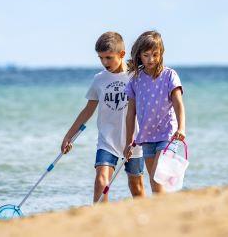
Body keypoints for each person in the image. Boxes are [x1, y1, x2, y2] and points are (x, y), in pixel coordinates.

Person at [61, 32, 145, 203]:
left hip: (134, 140)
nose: (104, 63)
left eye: (108, 57)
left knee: (136, 186)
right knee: (101, 180)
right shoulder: (99, 79)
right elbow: (87, 110)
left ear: (121, 54)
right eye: (101, 58)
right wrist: (69, 136)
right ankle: (99, 218)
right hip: (107, 140)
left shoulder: (136, 76)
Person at [123, 30, 186, 194]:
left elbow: (178, 103)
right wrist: (129, 141)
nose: (151, 59)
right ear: (139, 56)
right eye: (146, 55)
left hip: (168, 135)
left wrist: (182, 128)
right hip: (146, 138)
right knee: (156, 184)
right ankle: (164, 213)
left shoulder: (169, 75)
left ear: (161, 54)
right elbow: (131, 113)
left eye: (155, 54)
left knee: (158, 177)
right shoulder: (135, 81)